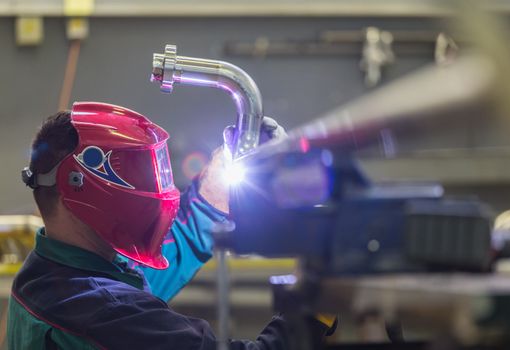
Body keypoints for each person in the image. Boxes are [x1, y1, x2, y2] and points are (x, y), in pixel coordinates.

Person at [8, 102, 334, 349]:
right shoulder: (101, 313)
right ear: (76, 184)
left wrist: (221, 177)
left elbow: (164, 260)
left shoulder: (51, 273)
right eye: (132, 173)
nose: (154, 191)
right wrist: (315, 305)